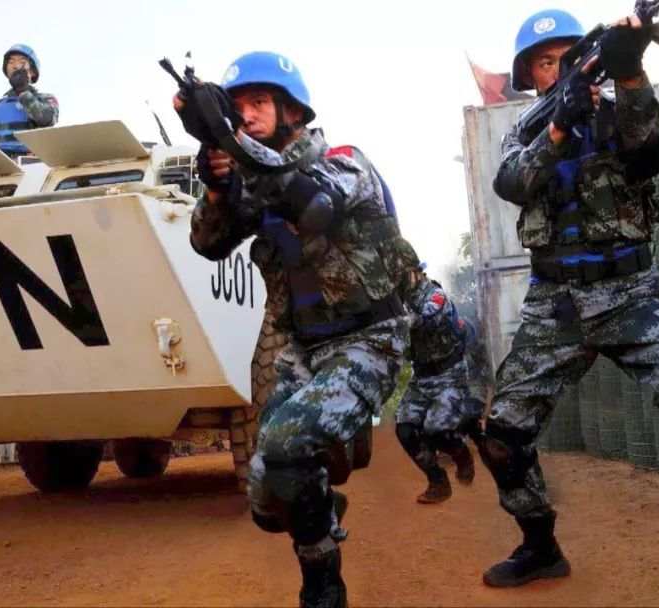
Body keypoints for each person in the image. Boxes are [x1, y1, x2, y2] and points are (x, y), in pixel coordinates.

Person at [478, 9, 659, 607]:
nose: (560, 69)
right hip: (555, 306)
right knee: (504, 434)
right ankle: (540, 546)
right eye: (546, 62)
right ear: (530, 77)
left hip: (631, 293)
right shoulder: (523, 132)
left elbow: (648, 155)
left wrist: (631, 70)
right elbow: (512, 182)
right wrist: (559, 126)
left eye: (570, 56)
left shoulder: (620, 111)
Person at [176, 51, 419, 608]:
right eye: (236, 107)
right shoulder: (250, 182)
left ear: (293, 111)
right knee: (268, 501)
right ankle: (317, 505)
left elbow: (312, 205)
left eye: (259, 102)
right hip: (301, 349)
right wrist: (217, 186)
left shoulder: (343, 161)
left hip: (368, 340)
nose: (247, 115)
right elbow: (207, 243)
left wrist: (232, 142)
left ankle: (324, 587)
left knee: (286, 446)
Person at [395, 274, 481, 504]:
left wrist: (392, 321)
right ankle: (437, 481)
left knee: (437, 430)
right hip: (421, 377)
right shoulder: (396, 301)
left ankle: (461, 454)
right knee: (405, 431)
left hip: (449, 373)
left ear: (415, 272)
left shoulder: (435, 295)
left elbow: (426, 319)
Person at [0, 44, 58, 158]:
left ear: (33, 72)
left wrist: (23, 91)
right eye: (11, 62)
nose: (16, 66)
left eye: (22, 62)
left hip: (29, 163)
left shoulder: (46, 99)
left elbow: (46, 119)